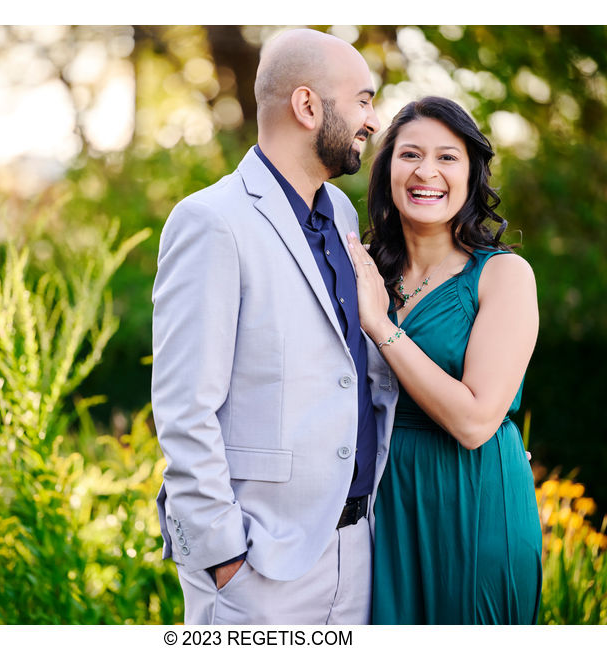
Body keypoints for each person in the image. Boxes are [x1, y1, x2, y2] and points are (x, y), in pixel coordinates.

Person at [151, 29, 398, 624]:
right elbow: (185, 407)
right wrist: (223, 554)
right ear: (308, 106)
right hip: (258, 569)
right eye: (362, 100)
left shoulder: (340, 211)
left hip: (356, 549)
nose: (372, 119)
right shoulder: (211, 221)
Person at [345, 96, 542, 624]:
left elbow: (476, 421)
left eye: (447, 157)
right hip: (384, 507)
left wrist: (382, 326)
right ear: (387, 170)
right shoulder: (364, 272)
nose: (425, 172)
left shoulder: (504, 277)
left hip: (474, 500)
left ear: (472, 173)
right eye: (409, 155)